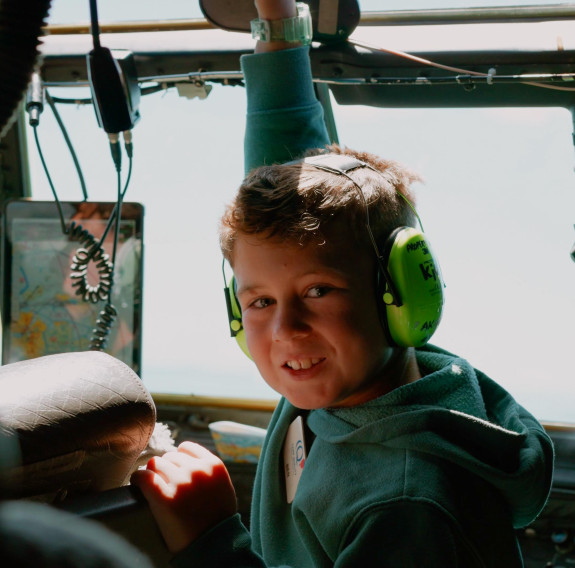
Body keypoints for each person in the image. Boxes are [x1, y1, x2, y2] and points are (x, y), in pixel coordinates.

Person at [131, 1, 554, 566]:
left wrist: (211, 539)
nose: (286, 329)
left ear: (403, 294)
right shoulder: (371, 382)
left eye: (318, 292)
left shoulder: (408, 504)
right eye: (258, 300)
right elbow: (287, 173)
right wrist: (278, 23)